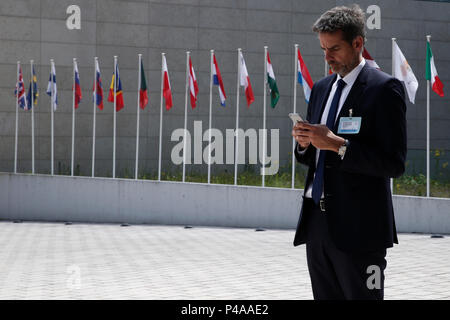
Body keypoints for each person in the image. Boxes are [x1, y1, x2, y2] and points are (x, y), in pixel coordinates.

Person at [291, 5, 407, 300]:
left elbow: (393, 164)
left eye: (335, 49)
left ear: (358, 43)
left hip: (361, 231)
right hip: (317, 226)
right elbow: (313, 158)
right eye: (323, 49)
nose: (327, 57)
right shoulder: (320, 89)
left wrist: (338, 145)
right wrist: (304, 143)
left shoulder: (385, 89)